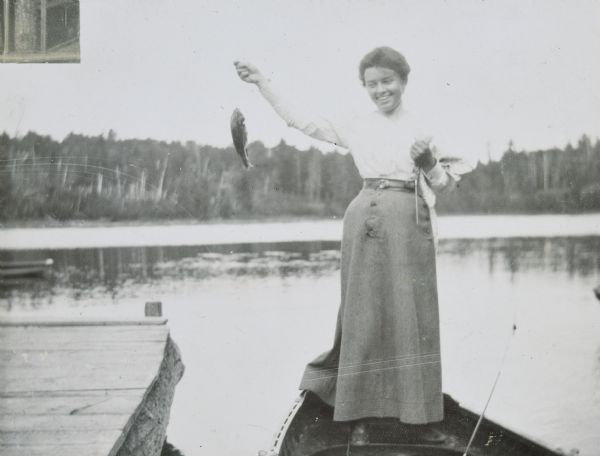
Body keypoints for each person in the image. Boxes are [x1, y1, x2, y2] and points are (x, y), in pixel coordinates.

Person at [234, 46, 457, 445]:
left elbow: (444, 185)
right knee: (362, 315)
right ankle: (359, 417)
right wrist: (261, 82)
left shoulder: (424, 126)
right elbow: (300, 120)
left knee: (415, 315)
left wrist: (428, 162)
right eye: (372, 84)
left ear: (404, 81)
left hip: (410, 219)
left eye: (387, 81)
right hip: (364, 218)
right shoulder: (357, 124)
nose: (380, 90)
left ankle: (420, 418)